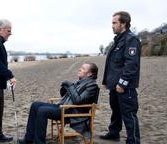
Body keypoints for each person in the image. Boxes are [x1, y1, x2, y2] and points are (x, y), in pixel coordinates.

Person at [18, 62, 99, 144]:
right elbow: (71, 97)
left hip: (71, 113)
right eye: (81, 67)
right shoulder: (81, 82)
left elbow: (78, 101)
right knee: (35, 105)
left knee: (42, 111)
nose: (80, 69)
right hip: (64, 107)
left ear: (89, 74)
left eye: (83, 68)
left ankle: (39, 142)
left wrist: (70, 86)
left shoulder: (92, 85)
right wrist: (64, 90)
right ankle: (29, 139)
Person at [100, 11, 141, 144]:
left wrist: (122, 84)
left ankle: (133, 140)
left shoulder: (131, 39)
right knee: (115, 111)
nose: (112, 25)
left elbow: (131, 65)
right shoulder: (118, 40)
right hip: (114, 85)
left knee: (129, 115)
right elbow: (112, 64)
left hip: (125, 87)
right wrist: (107, 81)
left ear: (123, 23)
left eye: (114, 22)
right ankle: (114, 133)